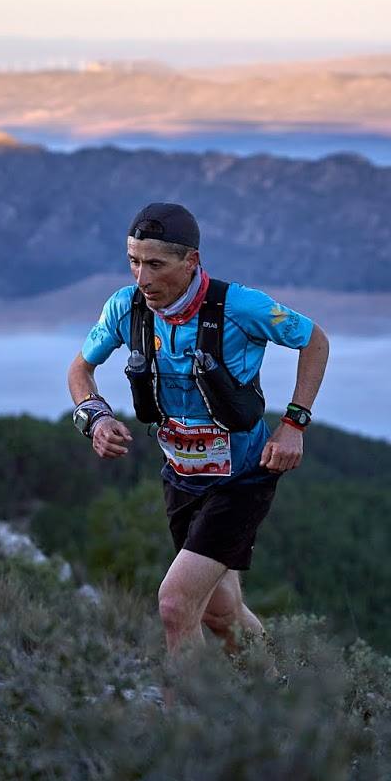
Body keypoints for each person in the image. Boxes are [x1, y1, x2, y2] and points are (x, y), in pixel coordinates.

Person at [66, 202, 330, 655]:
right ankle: (274, 691)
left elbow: (314, 340)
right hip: (181, 477)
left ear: (191, 261)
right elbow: (80, 371)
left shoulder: (240, 307)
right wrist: (95, 417)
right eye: (133, 261)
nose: (141, 278)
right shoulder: (125, 308)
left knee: (175, 605)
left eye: (155, 264)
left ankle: (189, 722)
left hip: (243, 477)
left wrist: (294, 424)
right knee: (220, 610)